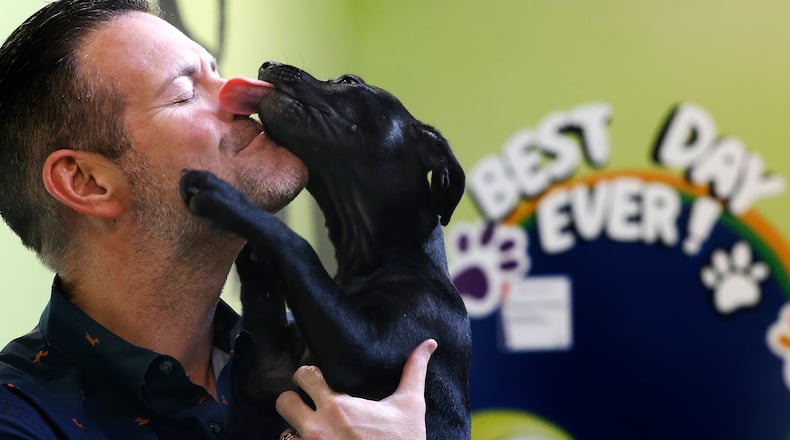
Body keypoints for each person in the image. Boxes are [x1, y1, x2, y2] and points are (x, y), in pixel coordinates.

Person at [0, 0, 436, 438]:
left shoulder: (329, 355)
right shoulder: (19, 420)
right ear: (88, 182)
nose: (251, 93)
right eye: (185, 93)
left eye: (219, 71)